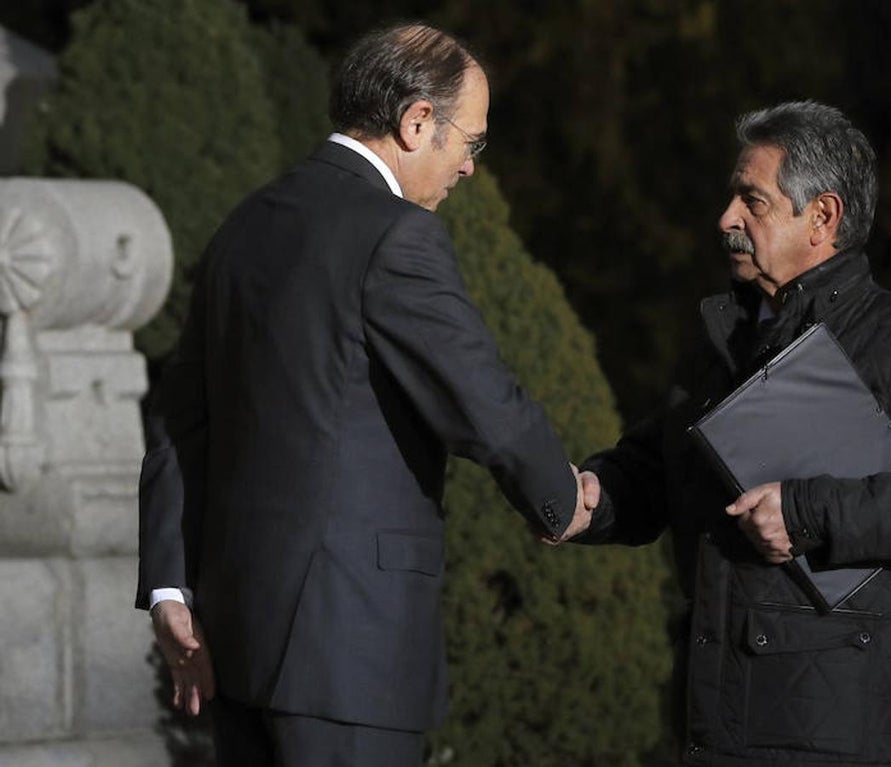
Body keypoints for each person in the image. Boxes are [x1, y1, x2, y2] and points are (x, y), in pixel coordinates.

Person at [136, 23, 591, 767]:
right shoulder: (397, 236)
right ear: (416, 122)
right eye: (470, 141)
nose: (471, 166)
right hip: (349, 653)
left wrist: (167, 589)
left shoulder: (243, 225)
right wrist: (561, 498)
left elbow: (180, 421)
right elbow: (485, 402)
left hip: (235, 644)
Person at [573, 101, 891, 766]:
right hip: (710, 719)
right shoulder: (722, 340)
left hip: (835, 732)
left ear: (822, 217)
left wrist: (805, 511)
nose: (727, 220)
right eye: (731, 197)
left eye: (754, 201)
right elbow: (658, 466)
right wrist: (591, 495)